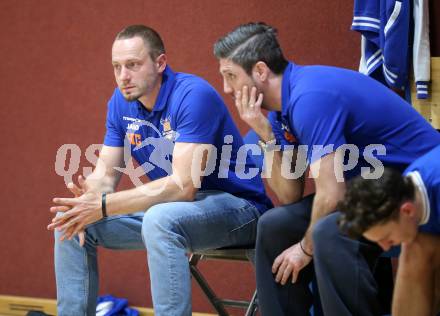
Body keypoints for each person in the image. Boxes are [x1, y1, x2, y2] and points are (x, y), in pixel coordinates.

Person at [213, 22, 440, 315]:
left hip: (413, 188)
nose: (226, 88)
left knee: (328, 234)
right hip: (362, 191)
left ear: (260, 71)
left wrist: (304, 249)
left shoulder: (310, 97)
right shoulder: (280, 114)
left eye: (230, 76)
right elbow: (289, 195)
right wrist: (265, 135)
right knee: (275, 225)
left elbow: (331, 194)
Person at [48, 25, 272, 316]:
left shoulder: (193, 95)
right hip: (174, 211)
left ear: (160, 63)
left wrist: (103, 205)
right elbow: (105, 174)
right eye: (116, 67)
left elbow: (183, 186)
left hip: (239, 209)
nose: (123, 76)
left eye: (133, 65)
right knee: (70, 220)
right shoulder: (120, 103)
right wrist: (88, 198)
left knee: (159, 219)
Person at [338, 145, 440, 316]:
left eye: (386, 238)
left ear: (407, 211)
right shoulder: (409, 191)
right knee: (416, 250)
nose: (385, 248)